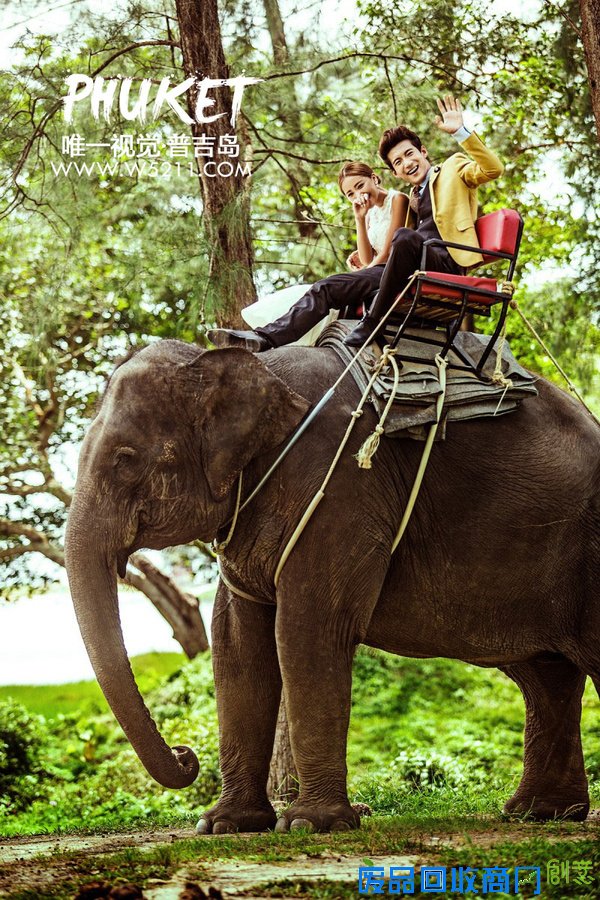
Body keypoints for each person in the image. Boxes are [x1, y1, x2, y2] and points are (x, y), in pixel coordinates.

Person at [209, 94, 503, 351]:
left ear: (423, 152)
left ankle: (373, 322)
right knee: (328, 286)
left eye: (409, 154)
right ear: (396, 173)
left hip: (444, 261)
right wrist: (362, 229)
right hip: (407, 265)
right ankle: (264, 338)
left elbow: (492, 168)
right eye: (398, 162)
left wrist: (461, 132)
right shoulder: (412, 197)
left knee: (404, 237)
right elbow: (385, 252)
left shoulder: (454, 169)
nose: (406, 163)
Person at [209, 162, 407, 351]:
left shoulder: (397, 199)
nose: (358, 195)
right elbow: (366, 259)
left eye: (360, 186)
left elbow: (388, 253)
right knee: (316, 289)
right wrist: (360, 219)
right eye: (350, 194)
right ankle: (263, 336)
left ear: (374, 178)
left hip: (394, 271)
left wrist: (365, 270)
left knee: (326, 287)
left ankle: (267, 338)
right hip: (376, 270)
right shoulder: (370, 213)